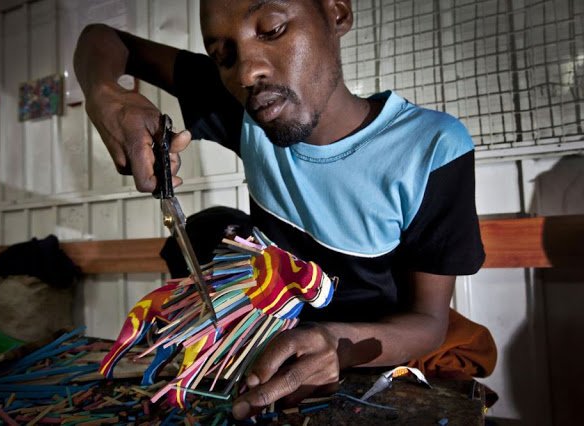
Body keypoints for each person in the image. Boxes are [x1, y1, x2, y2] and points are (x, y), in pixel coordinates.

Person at [74, 0, 494, 420]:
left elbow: (428, 322)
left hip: (373, 360)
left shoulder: (429, 148)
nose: (246, 73)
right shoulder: (249, 113)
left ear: (337, 13)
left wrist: (337, 346)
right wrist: (105, 94)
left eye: (272, 30)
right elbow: (102, 38)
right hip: (269, 359)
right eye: (222, 56)